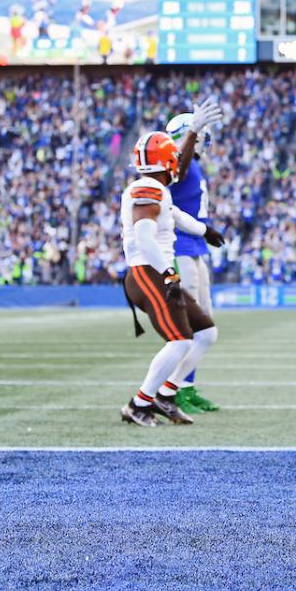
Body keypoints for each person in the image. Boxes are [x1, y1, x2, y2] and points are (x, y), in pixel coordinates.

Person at [119, 131, 224, 427]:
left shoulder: (156, 189)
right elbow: (143, 236)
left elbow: (175, 215)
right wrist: (168, 272)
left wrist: (205, 232)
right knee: (179, 340)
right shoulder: (147, 189)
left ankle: (166, 394)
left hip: (155, 271)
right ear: (166, 161)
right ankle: (139, 404)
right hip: (147, 272)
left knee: (205, 333)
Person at [165, 98, 224, 413]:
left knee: (204, 327)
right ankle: (169, 389)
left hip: (196, 246)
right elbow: (178, 169)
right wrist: (191, 133)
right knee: (188, 327)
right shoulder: (176, 162)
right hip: (180, 246)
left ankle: (184, 387)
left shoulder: (194, 163)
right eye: (198, 133)